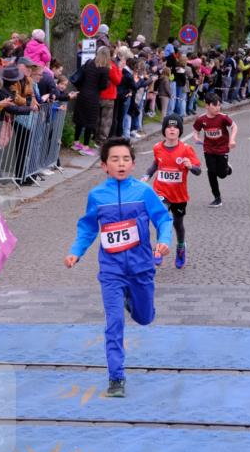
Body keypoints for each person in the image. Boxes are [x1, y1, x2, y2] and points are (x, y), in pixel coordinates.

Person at [65, 138, 172, 397]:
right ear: (104, 166)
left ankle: (133, 301)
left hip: (142, 267)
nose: (121, 164)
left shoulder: (143, 192)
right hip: (111, 270)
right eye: (115, 159)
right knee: (113, 323)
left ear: (133, 164)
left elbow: (163, 218)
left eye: (125, 159)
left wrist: (164, 241)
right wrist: (75, 252)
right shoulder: (97, 196)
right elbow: (89, 227)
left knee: (145, 318)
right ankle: (116, 378)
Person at [142, 114, 201, 269]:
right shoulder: (157, 148)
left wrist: (190, 166)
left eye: (175, 127)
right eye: (169, 127)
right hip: (161, 191)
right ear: (164, 130)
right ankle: (160, 247)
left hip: (179, 195)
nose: (172, 129)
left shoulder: (187, 150)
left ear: (180, 130)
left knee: (178, 223)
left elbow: (198, 170)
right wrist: (146, 176)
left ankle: (181, 247)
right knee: (161, 217)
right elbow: (156, 164)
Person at [192, 92, 237, 208]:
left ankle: (227, 168)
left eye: (219, 105)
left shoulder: (223, 117)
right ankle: (217, 198)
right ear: (207, 106)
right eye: (215, 105)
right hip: (209, 149)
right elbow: (196, 130)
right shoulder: (201, 119)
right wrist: (196, 137)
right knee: (211, 172)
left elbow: (234, 126)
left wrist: (232, 140)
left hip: (222, 149)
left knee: (222, 174)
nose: (218, 108)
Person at [71, 56, 109, 155]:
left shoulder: (89, 63)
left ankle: (76, 143)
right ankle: (85, 146)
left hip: (82, 93)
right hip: (93, 96)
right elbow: (103, 85)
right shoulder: (104, 69)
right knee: (90, 121)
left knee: (80, 119)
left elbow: (81, 76)